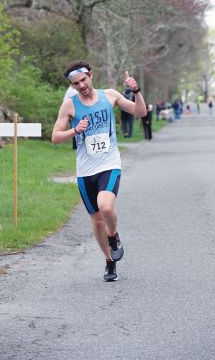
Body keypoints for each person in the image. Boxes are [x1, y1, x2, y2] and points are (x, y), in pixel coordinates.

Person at [52, 60, 146, 281]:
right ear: (72, 86)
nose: (81, 85)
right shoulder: (70, 105)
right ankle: (109, 262)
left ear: (91, 76)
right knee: (96, 219)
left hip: (109, 164)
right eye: (76, 83)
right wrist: (75, 130)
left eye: (83, 80)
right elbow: (55, 137)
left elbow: (139, 112)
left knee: (105, 206)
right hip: (85, 170)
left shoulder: (110, 95)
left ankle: (113, 236)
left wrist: (136, 91)